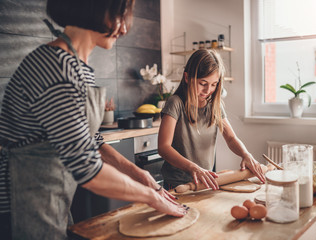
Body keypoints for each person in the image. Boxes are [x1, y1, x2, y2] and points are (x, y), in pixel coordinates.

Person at [0, 0, 187, 239]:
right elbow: (85, 166)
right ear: (97, 10)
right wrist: (151, 197)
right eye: (121, 14)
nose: (125, 27)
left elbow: (89, 139)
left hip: (50, 196)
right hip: (18, 205)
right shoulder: (58, 67)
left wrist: (137, 173)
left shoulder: (77, 65)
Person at [158, 49, 266, 190]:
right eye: (203, 83)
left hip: (204, 182)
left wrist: (246, 154)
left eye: (214, 84)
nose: (208, 90)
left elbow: (231, 138)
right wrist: (193, 168)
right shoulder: (175, 103)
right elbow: (163, 147)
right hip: (178, 184)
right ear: (187, 78)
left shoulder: (214, 105)